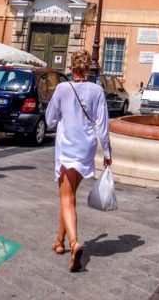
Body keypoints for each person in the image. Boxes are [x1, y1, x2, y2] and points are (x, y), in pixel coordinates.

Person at [45, 50, 111, 273]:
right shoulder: (97, 90)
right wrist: (107, 152)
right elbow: (103, 124)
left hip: (68, 146)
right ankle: (59, 241)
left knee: (66, 198)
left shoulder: (63, 88)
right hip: (86, 147)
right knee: (69, 194)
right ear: (88, 69)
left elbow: (50, 119)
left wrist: (63, 113)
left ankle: (74, 243)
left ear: (72, 68)